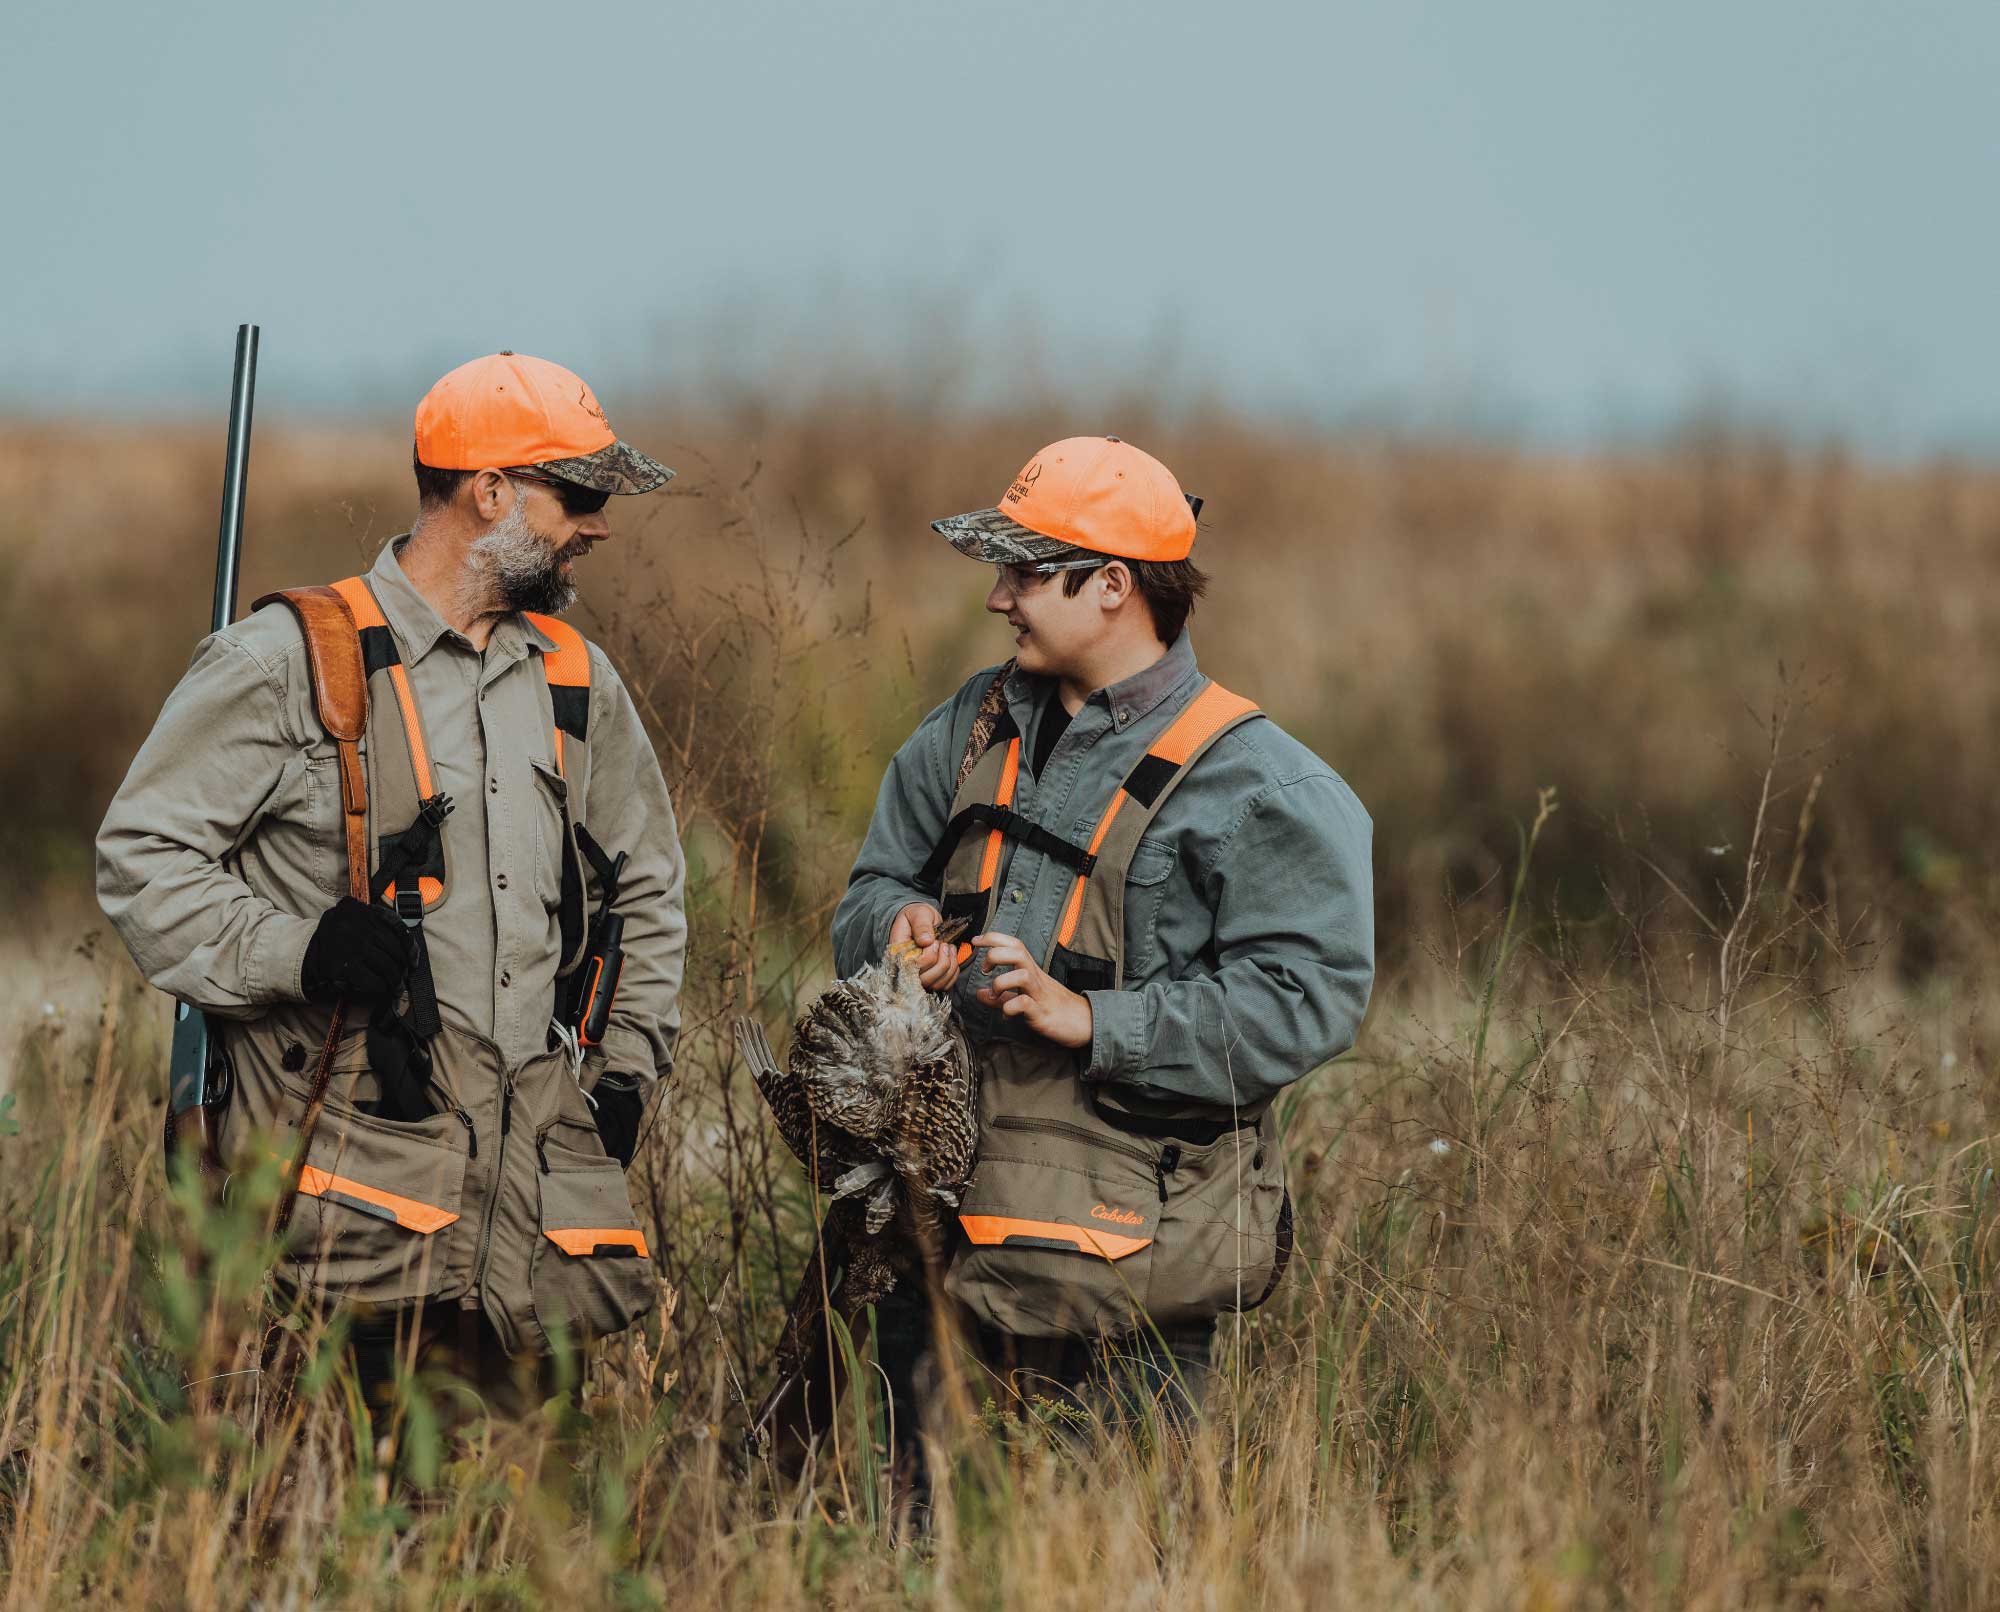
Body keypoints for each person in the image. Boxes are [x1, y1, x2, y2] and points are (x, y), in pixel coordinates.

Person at [98, 352, 686, 1416]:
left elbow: (647, 888)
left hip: (530, 1219)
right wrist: (298, 949)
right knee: (304, 1511)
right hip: (334, 1210)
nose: (596, 525)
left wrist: (627, 1076)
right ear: (491, 491)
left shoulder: (571, 677)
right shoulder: (284, 659)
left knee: (501, 1538)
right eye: (580, 495)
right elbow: (141, 856)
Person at [831, 435, 1374, 1456]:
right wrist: (892, 930)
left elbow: (1307, 1003)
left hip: (1128, 1287)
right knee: (906, 1547)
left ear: (1114, 585)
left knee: (1116, 1553)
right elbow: (869, 890)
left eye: (1025, 571)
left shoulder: (1263, 785)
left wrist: (1094, 1019)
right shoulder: (965, 731)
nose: (998, 597)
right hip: (931, 1250)